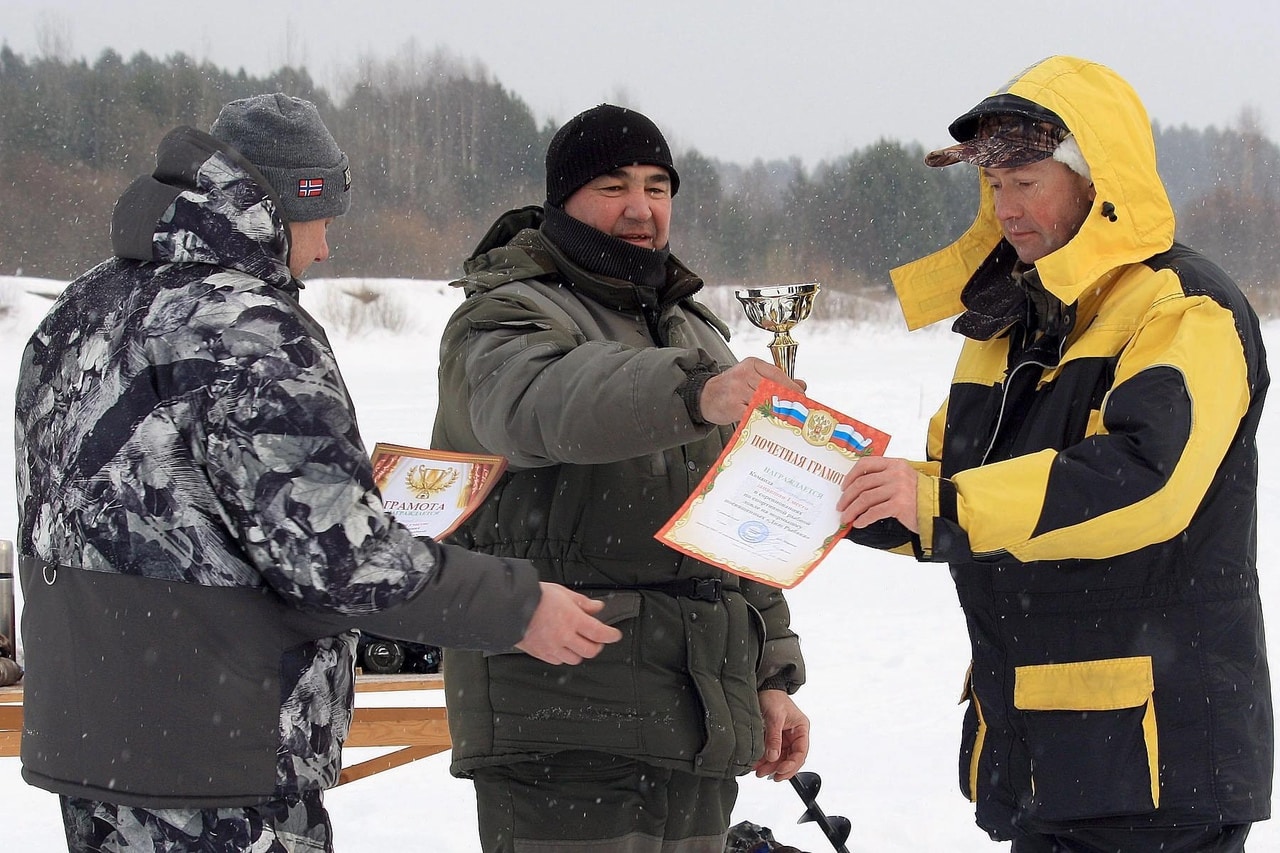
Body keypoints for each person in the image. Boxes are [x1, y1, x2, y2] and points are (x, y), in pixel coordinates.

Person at [14, 93, 620, 853]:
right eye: (323, 219)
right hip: (217, 758)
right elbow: (339, 558)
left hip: (91, 744)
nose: (326, 248)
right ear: (283, 205)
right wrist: (518, 604)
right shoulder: (250, 326)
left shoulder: (82, 305)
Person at [838, 56, 1272, 851]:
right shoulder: (1009, 319)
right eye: (993, 186)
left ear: (1095, 180)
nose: (1005, 207)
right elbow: (953, 492)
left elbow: (1143, 484)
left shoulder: (1183, 309)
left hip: (1157, 763)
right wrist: (839, 492)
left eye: (1027, 181)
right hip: (1045, 754)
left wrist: (937, 504)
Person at [431, 103, 811, 853]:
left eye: (657, 186)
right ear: (561, 202)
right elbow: (544, 404)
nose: (641, 208)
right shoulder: (502, 316)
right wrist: (695, 392)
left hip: (698, 716)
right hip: (564, 721)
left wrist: (771, 671)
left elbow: (740, 519)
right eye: (613, 186)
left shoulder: (695, 329)